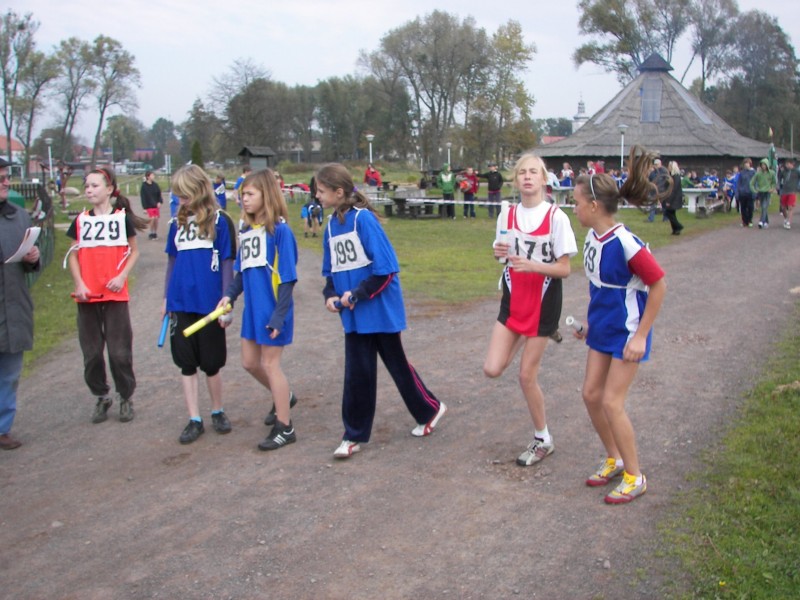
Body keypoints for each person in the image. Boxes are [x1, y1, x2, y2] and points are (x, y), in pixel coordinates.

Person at [316, 162, 446, 459]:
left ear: (339, 192)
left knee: (397, 366)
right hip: (354, 317)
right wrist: (331, 294)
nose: (317, 196)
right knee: (357, 373)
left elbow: (386, 270)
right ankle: (353, 435)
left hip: (379, 311)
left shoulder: (364, 220)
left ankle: (430, 410)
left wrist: (358, 294)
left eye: (321, 191)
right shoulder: (330, 227)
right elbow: (330, 272)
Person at [570, 145, 668, 504]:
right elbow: (599, 288)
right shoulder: (591, 238)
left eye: (577, 201)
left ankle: (635, 475)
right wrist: (587, 323)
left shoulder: (627, 243)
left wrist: (641, 335)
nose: (574, 207)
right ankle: (614, 457)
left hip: (628, 333)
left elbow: (658, 284)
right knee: (591, 395)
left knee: (612, 402)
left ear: (594, 206)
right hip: (602, 330)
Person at [483, 153, 578, 467]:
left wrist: (534, 265)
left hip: (544, 300)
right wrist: (499, 254)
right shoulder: (506, 214)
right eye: (522, 172)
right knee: (492, 369)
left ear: (544, 179)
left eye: (533, 172)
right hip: (513, 297)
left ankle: (543, 439)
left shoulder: (556, 218)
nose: (527, 177)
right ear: (516, 179)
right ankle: (526, 336)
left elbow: (565, 269)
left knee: (526, 376)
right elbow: (503, 257)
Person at [218, 168, 299, 451]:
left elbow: (288, 278)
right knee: (249, 363)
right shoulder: (248, 232)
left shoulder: (281, 232)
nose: (243, 200)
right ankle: (284, 396)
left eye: (250, 194)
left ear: (267, 194)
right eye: (242, 195)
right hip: (252, 311)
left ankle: (285, 427)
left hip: (274, 309)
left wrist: (279, 315)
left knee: (270, 364)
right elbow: (240, 273)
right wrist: (228, 297)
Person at [66, 166, 148, 424]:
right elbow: (73, 255)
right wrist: (79, 283)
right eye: (86, 186)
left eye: (94, 186)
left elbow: (134, 251)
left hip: (114, 295)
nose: (89, 190)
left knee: (119, 352)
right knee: (91, 353)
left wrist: (122, 276)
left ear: (109, 189)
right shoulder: (80, 220)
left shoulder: (121, 219)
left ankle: (125, 395)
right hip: (87, 296)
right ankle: (101, 395)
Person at [164, 165, 237, 445]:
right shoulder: (175, 224)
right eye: (178, 196)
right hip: (180, 303)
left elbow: (228, 261)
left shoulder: (220, 221)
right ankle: (194, 418)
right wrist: (165, 300)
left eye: (184, 195)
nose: (180, 200)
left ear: (198, 191)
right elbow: (171, 262)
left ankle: (217, 410)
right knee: (186, 363)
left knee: (212, 362)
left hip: (210, 304)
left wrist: (226, 302)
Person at [0, 157, 40, 449]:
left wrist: (32, 259)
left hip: (13, 306)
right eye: (0, 178)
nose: (6, 182)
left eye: (6, 177)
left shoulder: (19, 216)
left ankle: (3, 428)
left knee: (10, 374)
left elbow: (29, 265)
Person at [750, 158, 776, 229]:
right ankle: (766, 221)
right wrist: (754, 190)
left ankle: (761, 221)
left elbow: (774, 182)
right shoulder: (758, 174)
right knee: (763, 207)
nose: (763, 166)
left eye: (765, 165)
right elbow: (751, 183)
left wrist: (772, 188)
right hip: (761, 192)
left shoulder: (772, 173)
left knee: (765, 206)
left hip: (768, 192)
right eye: (762, 165)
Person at [140, 170, 163, 240]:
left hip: (155, 205)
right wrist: (144, 208)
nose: (153, 176)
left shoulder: (155, 185)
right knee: (152, 218)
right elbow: (143, 197)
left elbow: (159, 194)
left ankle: (154, 232)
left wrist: (160, 202)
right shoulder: (144, 186)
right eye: (152, 175)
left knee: (156, 219)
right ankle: (151, 232)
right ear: (148, 176)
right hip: (149, 205)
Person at [778, 157, 798, 229]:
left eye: (788, 164)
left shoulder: (796, 172)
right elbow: (779, 179)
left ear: (792, 164)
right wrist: (778, 186)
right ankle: (786, 218)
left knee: (790, 207)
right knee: (783, 207)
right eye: (786, 164)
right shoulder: (784, 171)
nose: (787, 165)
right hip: (784, 191)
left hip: (792, 191)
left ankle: (788, 221)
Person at [664, 161, 684, 235]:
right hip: (672, 197)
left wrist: (669, 200)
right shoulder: (671, 176)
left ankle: (678, 226)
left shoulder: (676, 176)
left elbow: (673, 189)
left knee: (668, 213)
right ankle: (675, 229)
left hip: (674, 198)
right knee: (671, 214)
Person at [736, 158, 756, 227]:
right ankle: (744, 221)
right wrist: (738, 192)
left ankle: (750, 220)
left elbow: (755, 183)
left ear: (750, 164)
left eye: (747, 163)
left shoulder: (753, 172)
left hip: (750, 192)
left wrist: (755, 192)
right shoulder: (742, 173)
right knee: (743, 208)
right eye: (745, 163)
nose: (746, 165)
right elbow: (739, 183)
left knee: (750, 207)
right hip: (743, 192)